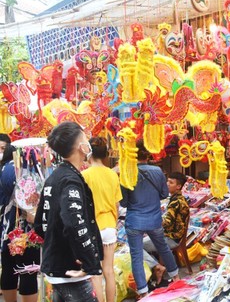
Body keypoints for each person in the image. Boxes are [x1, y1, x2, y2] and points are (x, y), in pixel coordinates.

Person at [34, 121, 103, 302]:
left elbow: (40, 225)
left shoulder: (55, 177)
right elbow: (74, 223)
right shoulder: (70, 180)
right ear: (81, 147)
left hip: (59, 267)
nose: (89, 144)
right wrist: (88, 262)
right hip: (70, 271)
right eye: (86, 139)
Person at [120, 140, 179, 299]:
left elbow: (123, 202)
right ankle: (175, 277)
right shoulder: (157, 171)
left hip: (134, 221)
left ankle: (143, 292)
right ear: (148, 153)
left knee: (136, 256)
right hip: (154, 219)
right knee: (163, 248)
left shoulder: (127, 173)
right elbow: (164, 194)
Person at [82, 137, 122, 302]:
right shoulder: (112, 175)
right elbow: (117, 205)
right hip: (109, 226)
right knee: (109, 271)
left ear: (88, 153)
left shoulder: (84, 175)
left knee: (95, 273)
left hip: (92, 228)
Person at [0, 143, 40, 302]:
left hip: (5, 228)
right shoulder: (22, 171)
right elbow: (28, 203)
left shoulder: (3, 169)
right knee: (28, 271)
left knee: (8, 270)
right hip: (24, 230)